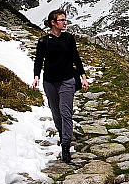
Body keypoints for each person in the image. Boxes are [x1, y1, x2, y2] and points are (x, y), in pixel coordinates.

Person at [32, 8, 88, 163]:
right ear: (53, 22)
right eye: (62, 20)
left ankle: (65, 147)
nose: (65, 23)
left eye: (65, 20)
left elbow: (76, 58)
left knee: (65, 113)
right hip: (49, 81)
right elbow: (38, 60)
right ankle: (63, 134)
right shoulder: (44, 41)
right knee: (56, 114)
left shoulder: (69, 38)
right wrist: (36, 77)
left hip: (67, 80)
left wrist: (83, 77)